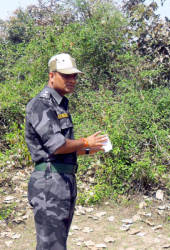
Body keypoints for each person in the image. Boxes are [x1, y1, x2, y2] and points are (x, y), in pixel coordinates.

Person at [25, 53, 107, 250]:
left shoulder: (59, 104)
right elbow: (56, 145)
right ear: (51, 76)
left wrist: (87, 150)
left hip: (62, 181)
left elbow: (57, 150)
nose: (72, 80)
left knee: (57, 243)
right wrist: (85, 141)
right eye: (66, 75)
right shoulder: (41, 104)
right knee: (51, 246)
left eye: (75, 76)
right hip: (50, 184)